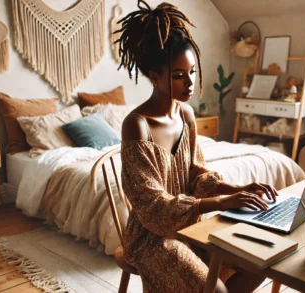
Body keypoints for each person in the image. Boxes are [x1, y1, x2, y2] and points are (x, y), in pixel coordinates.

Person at [117, 1, 278, 292]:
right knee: (215, 289)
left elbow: (197, 177)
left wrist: (236, 190)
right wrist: (223, 203)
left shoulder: (186, 115)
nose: (190, 82)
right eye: (178, 75)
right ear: (154, 76)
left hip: (191, 226)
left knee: (259, 263)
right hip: (152, 238)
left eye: (192, 71)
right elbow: (153, 208)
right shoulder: (136, 125)